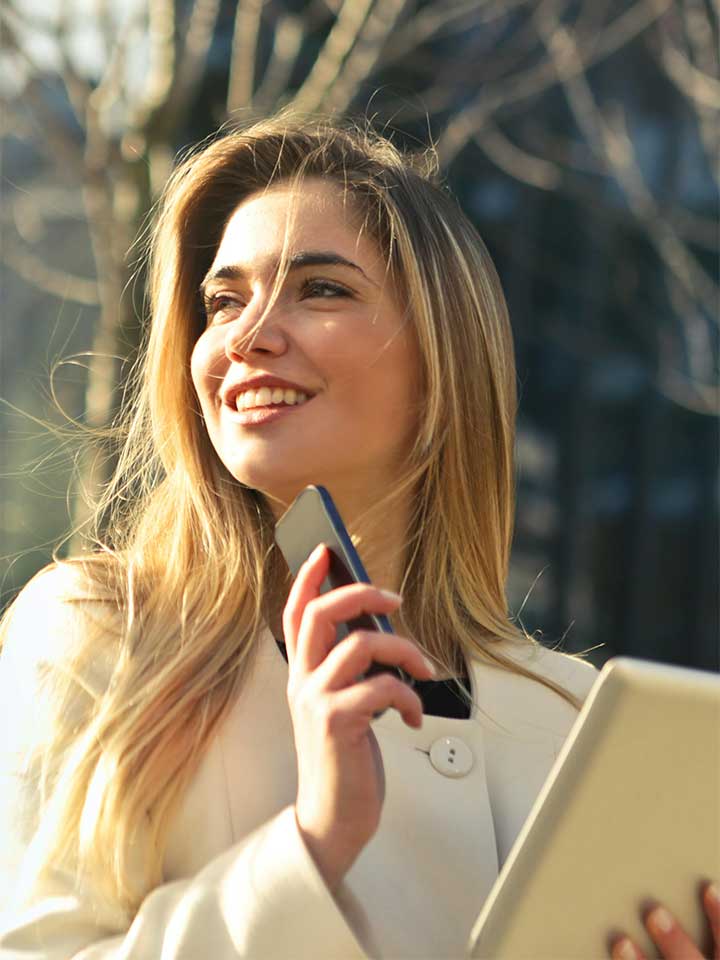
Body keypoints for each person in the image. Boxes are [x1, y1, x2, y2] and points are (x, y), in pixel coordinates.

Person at [0, 114, 716, 960]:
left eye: (321, 289)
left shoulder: (575, 716)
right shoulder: (101, 633)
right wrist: (310, 843)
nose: (245, 335)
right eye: (223, 300)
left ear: (443, 356)